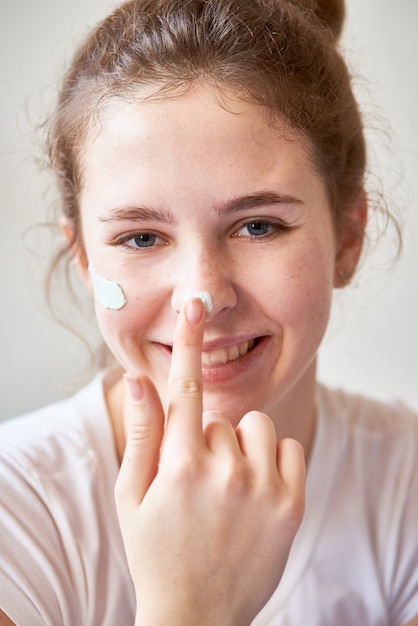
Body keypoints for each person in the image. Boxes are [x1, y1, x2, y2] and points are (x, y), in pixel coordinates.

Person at [0, 0, 417, 624]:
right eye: (141, 237)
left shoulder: (406, 484)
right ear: (85, 260)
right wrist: (191, 604)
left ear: (347, 240)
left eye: (258, 225)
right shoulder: (16, 508)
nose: (201, 296)